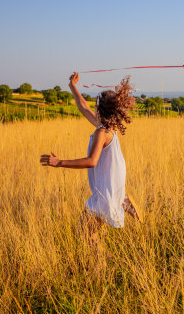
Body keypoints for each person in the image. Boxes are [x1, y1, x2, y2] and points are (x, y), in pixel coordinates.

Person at [40, 72, 141, 244]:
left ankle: (102, 267)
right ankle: (125, 202)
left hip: (104, 195)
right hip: (110, 188)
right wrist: (73, 87)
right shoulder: (108, 127)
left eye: (96, 105)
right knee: (87, 234)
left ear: (100, 109)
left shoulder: (101, 132)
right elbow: (83, 108)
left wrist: (59, 162)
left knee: (86, 235)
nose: (92, 108)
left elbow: (91, 161)